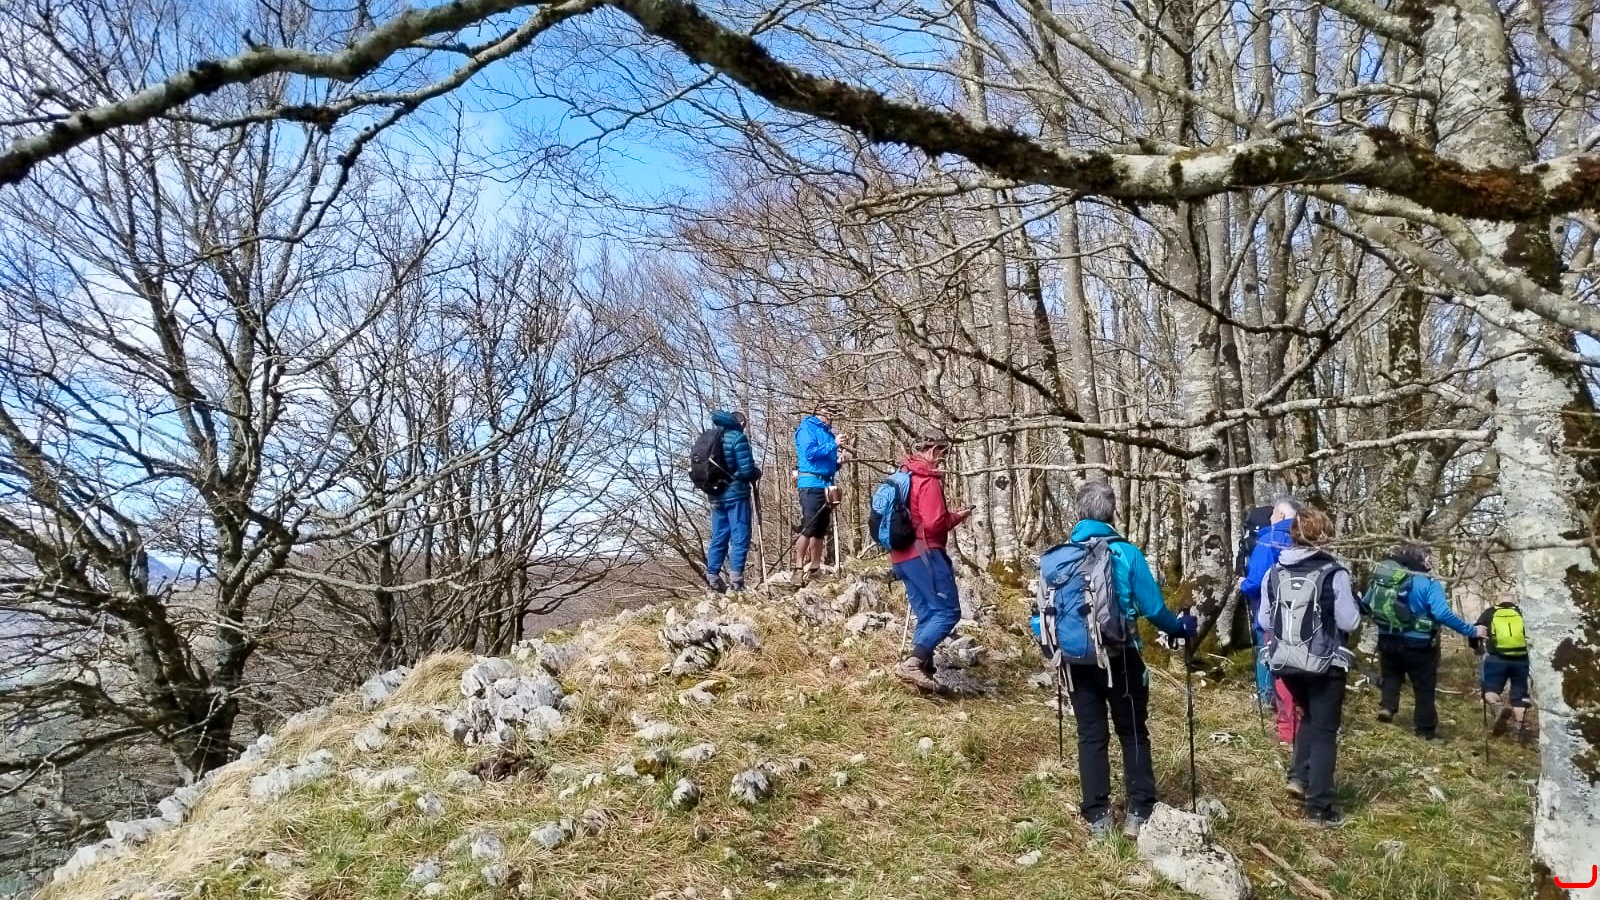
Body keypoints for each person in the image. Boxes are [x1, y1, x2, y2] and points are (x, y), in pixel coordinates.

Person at [1058, 481, 1194, 840]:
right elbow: (1154, 609)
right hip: (1122, 655)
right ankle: (1139, 811)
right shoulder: (1127, 554)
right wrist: (1180, 628)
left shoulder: (1061, 556)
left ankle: (1098, 818)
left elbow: (1043, 615)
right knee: (1133, 731)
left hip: (1076, 659)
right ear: (1111, 513)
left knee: (1090, 734)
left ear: (1079, 512)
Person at [1256, 505, 1360, 827]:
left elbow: (1264, 621)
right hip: (1324, 664)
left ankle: (1298, 777)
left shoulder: (1274, 572)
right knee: (1325, 731)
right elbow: (1350, 621)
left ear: (1293, 535)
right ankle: (1319, 808)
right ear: (1325, 535)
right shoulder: (1334, 573)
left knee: (1308, 717)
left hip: (1286, 663)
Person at [1362, 544, 1475, 740]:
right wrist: (1470, 630)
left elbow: (1366, 603)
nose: (1431, 562)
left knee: (1391, 674)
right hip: (1419, 643)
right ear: (1422, 560)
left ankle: (1387, 707)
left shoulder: (1387, 577)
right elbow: (1441, 613)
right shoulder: (1428, 583)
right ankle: (1425, 730)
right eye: (1429, 557)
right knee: (1424, 687)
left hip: (1387, 637)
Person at [888, 430, 972, 694]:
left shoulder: (904, 474)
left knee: (927, 613)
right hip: (924, 553)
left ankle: (922, 675)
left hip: (901, 556)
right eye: (943, 453)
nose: (943, 459)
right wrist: (957, 516)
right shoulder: (928, 479)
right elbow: (934, 523)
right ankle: (913, 664)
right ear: (934, 450)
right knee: (947, 612)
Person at [1239, 495, 1304, 743]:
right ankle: (1303, 715)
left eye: (1273, 513)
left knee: (1270, 656)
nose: (1271, 517)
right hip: (1306, 615)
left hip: (1273, 612)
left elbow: (1256, 580)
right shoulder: (1308, 538)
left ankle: (1272, 704)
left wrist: (1243, 584)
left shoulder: (1269, 540)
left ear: (1280, 514)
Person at [704, 410, 761, 593]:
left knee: (719, 535)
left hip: (715, 495)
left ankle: (712, 576)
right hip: (736, 495)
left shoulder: (710, 437)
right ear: (741, 424)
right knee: (740, 534)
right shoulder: (737, 438)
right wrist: (756, 473)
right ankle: (736, 580)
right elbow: (746, 471)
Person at [792, 404, 847, 579]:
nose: (832, 418)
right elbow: (810, 454)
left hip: (827, 484)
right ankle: (798, 568)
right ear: (822, 413)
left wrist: (838, 462)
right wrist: (833, 444)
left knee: (821, 528)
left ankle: (814, 567)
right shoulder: (807, 429)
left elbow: (826, 461)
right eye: (830, 414)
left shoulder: (828, 433)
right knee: (809, 526)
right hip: (811, 483)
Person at [1474, 595, 1532, 738]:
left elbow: (1476, 631)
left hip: (1496, 659)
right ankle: (1518, 730)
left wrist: (1477, 648)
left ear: (1498, 601)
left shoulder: (1490, 612)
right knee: (1520, 694)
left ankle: (1498, 707)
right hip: (1521, 659)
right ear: (1514, 601)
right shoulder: (1522, 612)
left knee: (1490, 689)